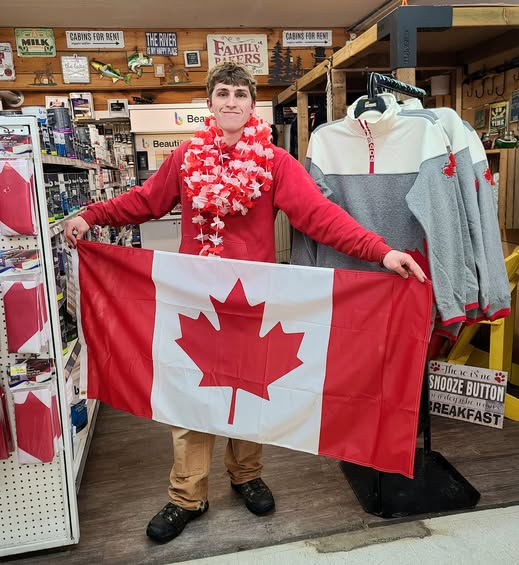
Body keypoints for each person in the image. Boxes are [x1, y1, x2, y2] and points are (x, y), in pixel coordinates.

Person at [65, 62, 426, 544]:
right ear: (210, 104)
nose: (231, 101)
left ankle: (246, 475)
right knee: (191, 398)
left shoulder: (275, 162)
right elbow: (144, 202)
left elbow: (320, 217)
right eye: (222, 94)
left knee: (254, 392)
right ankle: (186, 497)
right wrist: (92, 214)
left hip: (256, 305)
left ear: (251, 104)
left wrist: (381, 251)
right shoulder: (185, 158)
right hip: (194, 302)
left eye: (239, 94)